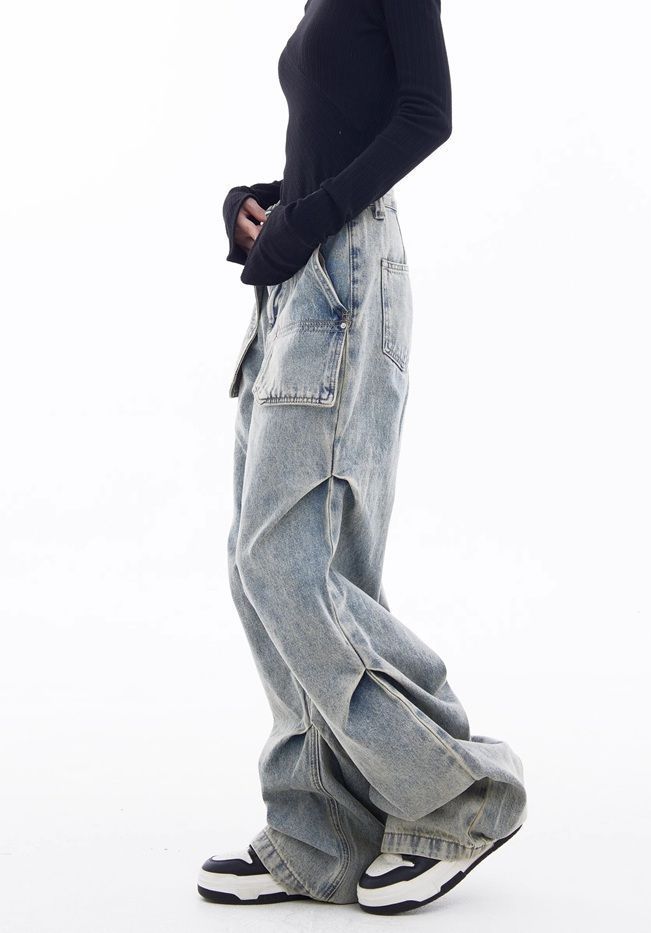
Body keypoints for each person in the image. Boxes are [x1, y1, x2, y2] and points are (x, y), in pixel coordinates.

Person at [197, 0, 527, 915]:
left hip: (343, 275)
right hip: (298, 278)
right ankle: (320, 833)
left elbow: (427, 113)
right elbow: (340, 134)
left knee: (285, 566)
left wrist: (310, 218)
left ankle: (457, 796)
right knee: (268, 569)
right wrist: (263, 204)